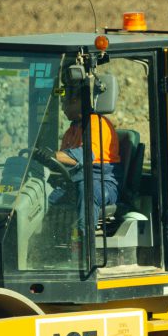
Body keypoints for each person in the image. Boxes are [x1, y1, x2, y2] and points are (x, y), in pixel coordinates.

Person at [48, 87, 120, 232]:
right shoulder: (71, 130)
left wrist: (51, 155)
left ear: (75, 101)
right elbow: (62, 162)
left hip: (101, 182)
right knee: (44, 196)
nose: (62, 108)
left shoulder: (96, 123)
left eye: (64, 103)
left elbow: (85, 155)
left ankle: (84, 241)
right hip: (74, 181)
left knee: (87, 190)